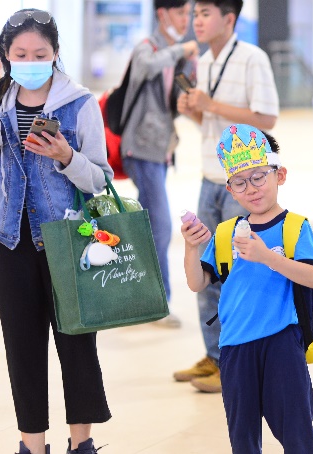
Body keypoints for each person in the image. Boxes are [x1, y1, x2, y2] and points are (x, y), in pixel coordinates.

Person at [0, 8, 113, 454]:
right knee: (21, 350)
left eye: (39, 53)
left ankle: (81, 444)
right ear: (7, 55)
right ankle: (32, 445)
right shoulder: (0, 102)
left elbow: (102, 181)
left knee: (77, 346)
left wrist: (67, 156)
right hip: (10, 244)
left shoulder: (80, 103)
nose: (29, 60)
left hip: (70, 241)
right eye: (20, 53)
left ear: (56, 54)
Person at [181, 124, 313, 453]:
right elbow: (196, 282)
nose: (252, 188)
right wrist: (190, 248)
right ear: (230, 189)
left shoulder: (294, 227)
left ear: (280, 175)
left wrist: (266, 257)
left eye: (259, 176)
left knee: (296, 432)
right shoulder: (225, 232)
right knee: (242, 437)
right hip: (234, 348)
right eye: (240, 182)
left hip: (281, 343)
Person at [174, 0, 279, 393]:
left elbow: (267, 120)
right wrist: (195, 111)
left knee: (241, 271)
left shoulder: (253, 58)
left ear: (229, 19)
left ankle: (240, 360)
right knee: (206, 265)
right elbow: (214, 122)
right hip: (209, 175)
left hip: (243, 183)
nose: (196, 22)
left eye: (205, 14)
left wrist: (210, 104)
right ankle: (215, 357)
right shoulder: (206, 62)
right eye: (194, 15)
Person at [120, 0, 199, 329]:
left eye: (188, 15)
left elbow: (177, 100)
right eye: (181, 13)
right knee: (161, 226)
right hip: (140, 149)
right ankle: (157, 303)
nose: (185, 21)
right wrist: (181, 50)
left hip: (159, 150)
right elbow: (148, 67)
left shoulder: (174, 54)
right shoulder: (149, 49)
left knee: (152, 225)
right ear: (162, 14)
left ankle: (145, 298)